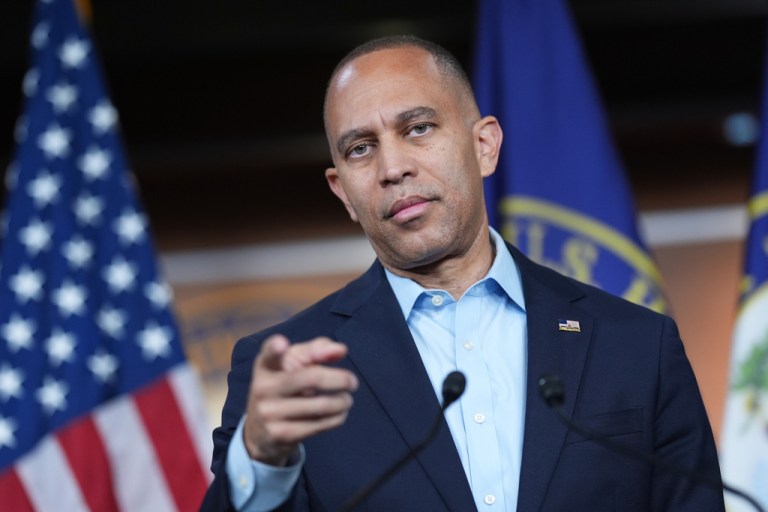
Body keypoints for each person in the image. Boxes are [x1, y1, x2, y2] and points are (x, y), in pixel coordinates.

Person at [201, 35, 724, 512]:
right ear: (344, 193)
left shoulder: (635, 346)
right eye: (361, 148)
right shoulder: (290, 370)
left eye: (418, 128)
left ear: (484, 146)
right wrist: (262, 461)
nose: (392, 168)